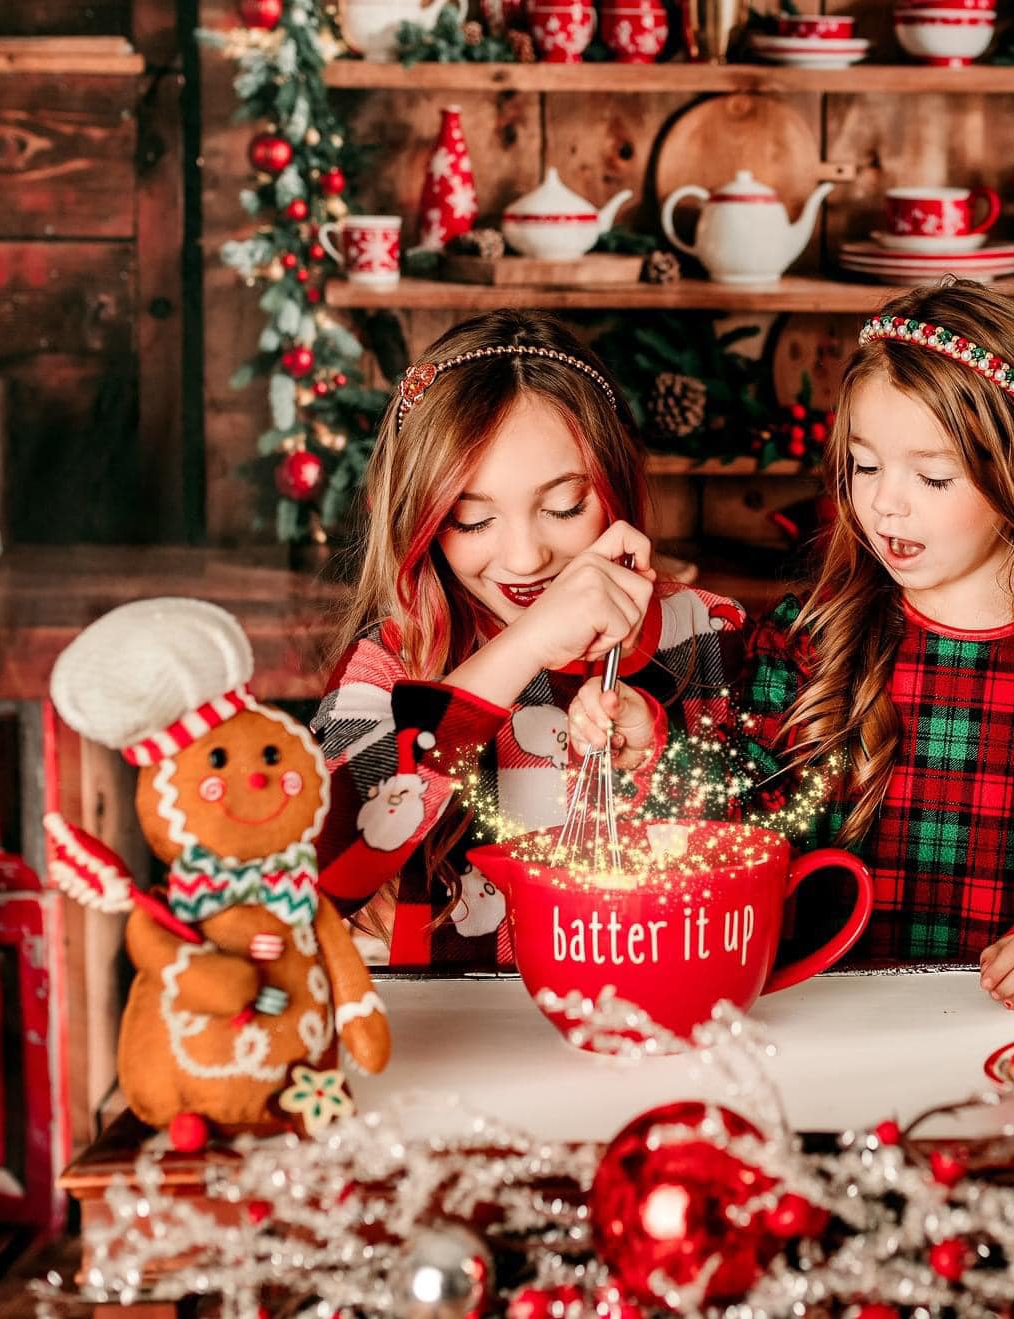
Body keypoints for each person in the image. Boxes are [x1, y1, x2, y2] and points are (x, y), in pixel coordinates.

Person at [740, 281, 1014, 1015]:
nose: (884, 503)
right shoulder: (804, 641)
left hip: (1012, 1034)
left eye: (934, 476)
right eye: (865, 465)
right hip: (821, 1029)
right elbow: (746, 833)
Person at [309, 310, 745, 966]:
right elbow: (335, 869)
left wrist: (648, 755)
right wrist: (524, 647)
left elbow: (746, 866)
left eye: (564, 507)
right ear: (423, 519)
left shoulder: (706, 633)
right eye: (472, 518)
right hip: (457, 1045)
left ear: (617, 487)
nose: (522, 556)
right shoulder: (388, 662)